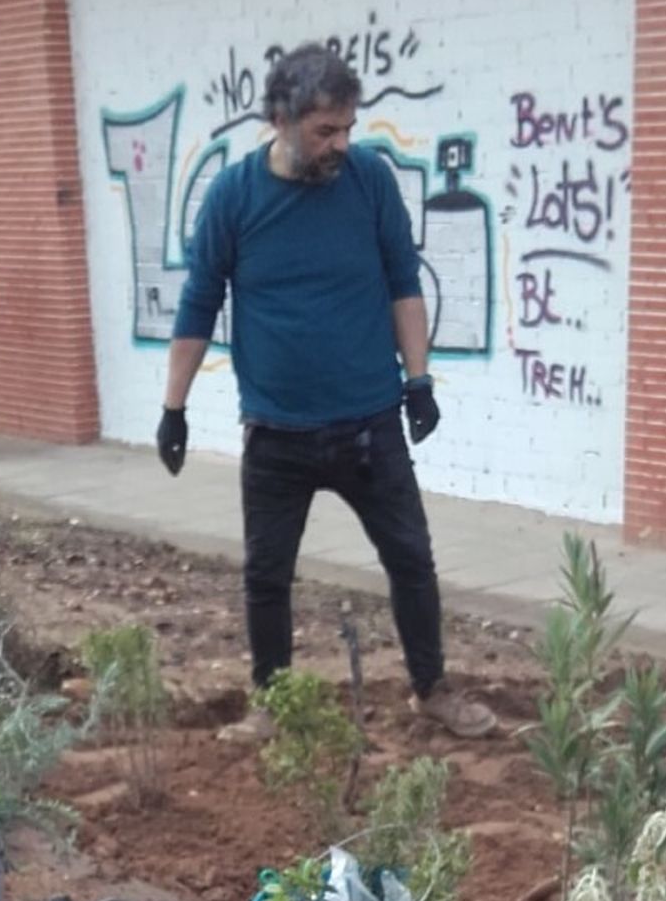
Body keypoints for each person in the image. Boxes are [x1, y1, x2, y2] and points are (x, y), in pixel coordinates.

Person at [157, 42, 495, 741]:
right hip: (277, 432)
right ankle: (271, 705)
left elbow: (404, 281)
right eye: (325, 132)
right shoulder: (234, 197)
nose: (341, 144)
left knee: (411, 559)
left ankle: (430, 688)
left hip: (370, 424)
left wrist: (419, 380)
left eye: (347, 128)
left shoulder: (369, 182)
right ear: (279, 118)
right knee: (268, 576)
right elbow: (197, 305)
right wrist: (173, 408)